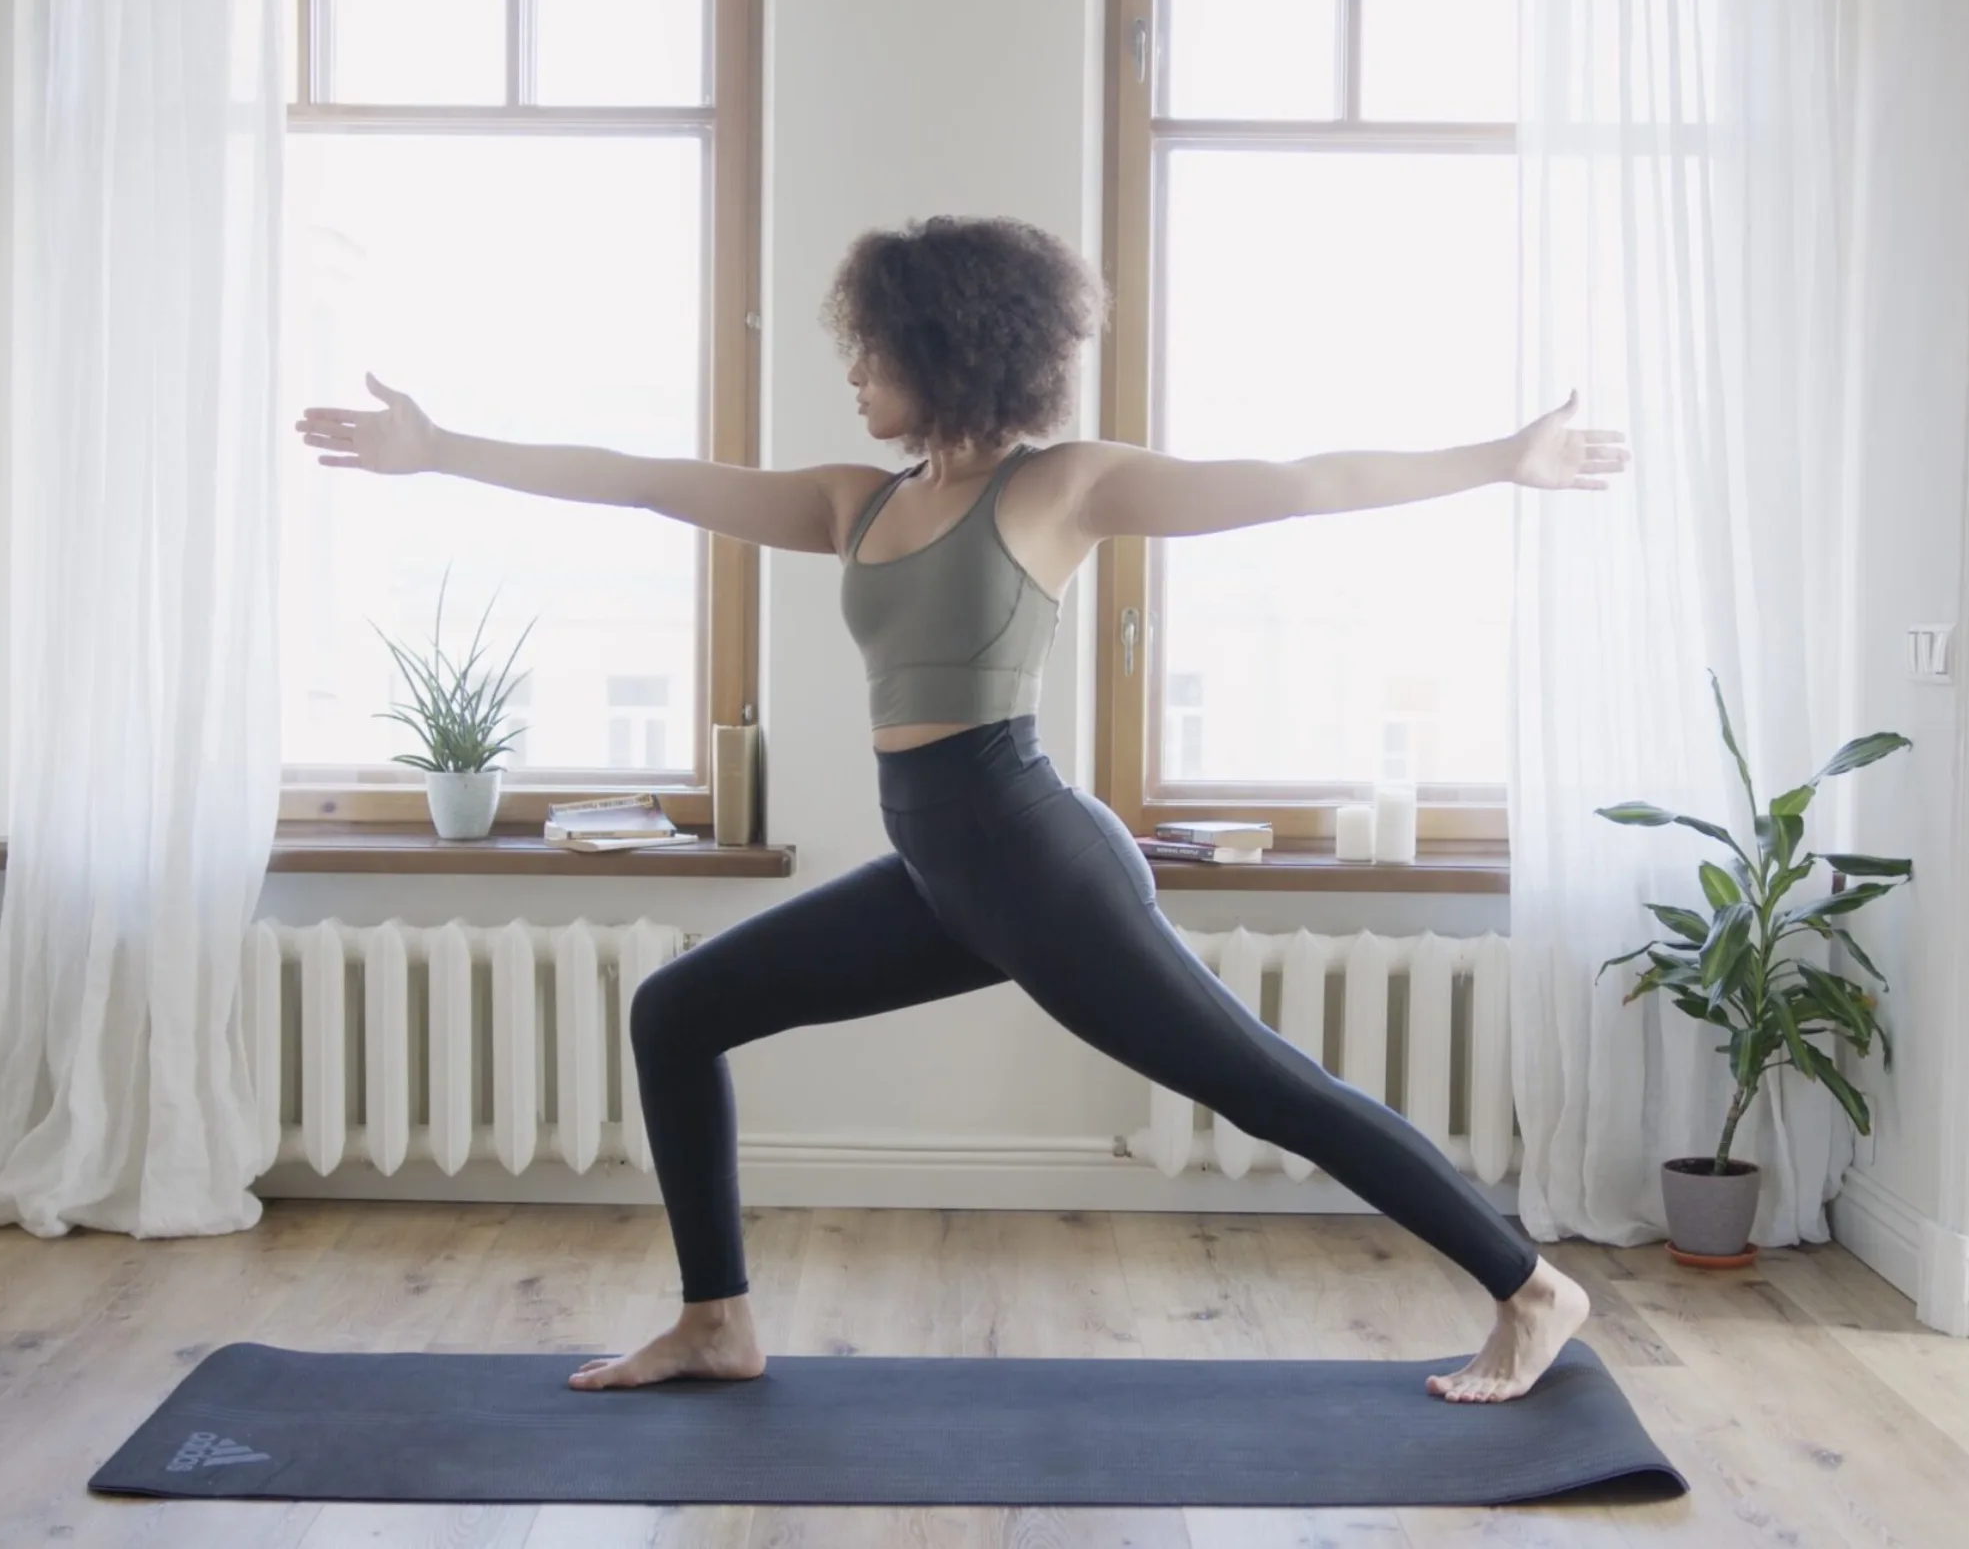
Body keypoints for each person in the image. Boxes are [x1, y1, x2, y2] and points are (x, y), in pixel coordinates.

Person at [296, 215, 1629, 1403]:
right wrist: (440, 451)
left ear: (949, 349)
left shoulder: (1061, 487)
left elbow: (1304, 481)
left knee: (1266, 1087)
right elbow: (643, 476)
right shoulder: (852, 501)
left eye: (873, 351)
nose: (856, 374)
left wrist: (1505, 459)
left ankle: (1529, 1288)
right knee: (679, 1009)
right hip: (945, 869)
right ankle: (717, 1321)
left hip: (1034, 861)